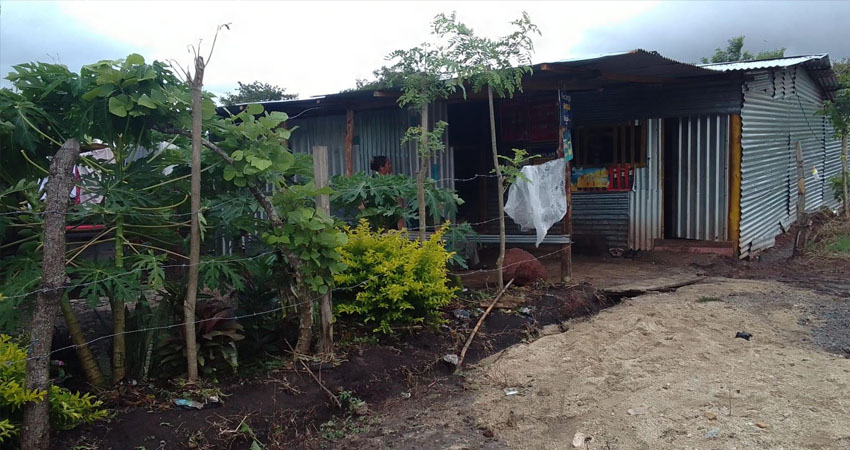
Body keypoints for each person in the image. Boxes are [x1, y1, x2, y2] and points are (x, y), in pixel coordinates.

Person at [368, 155, 404, 230]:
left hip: (392, 219)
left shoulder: (393, 182)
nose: (391, 165)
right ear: (382, 167)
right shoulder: (372, 184)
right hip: (379, 222)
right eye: (388, 164)